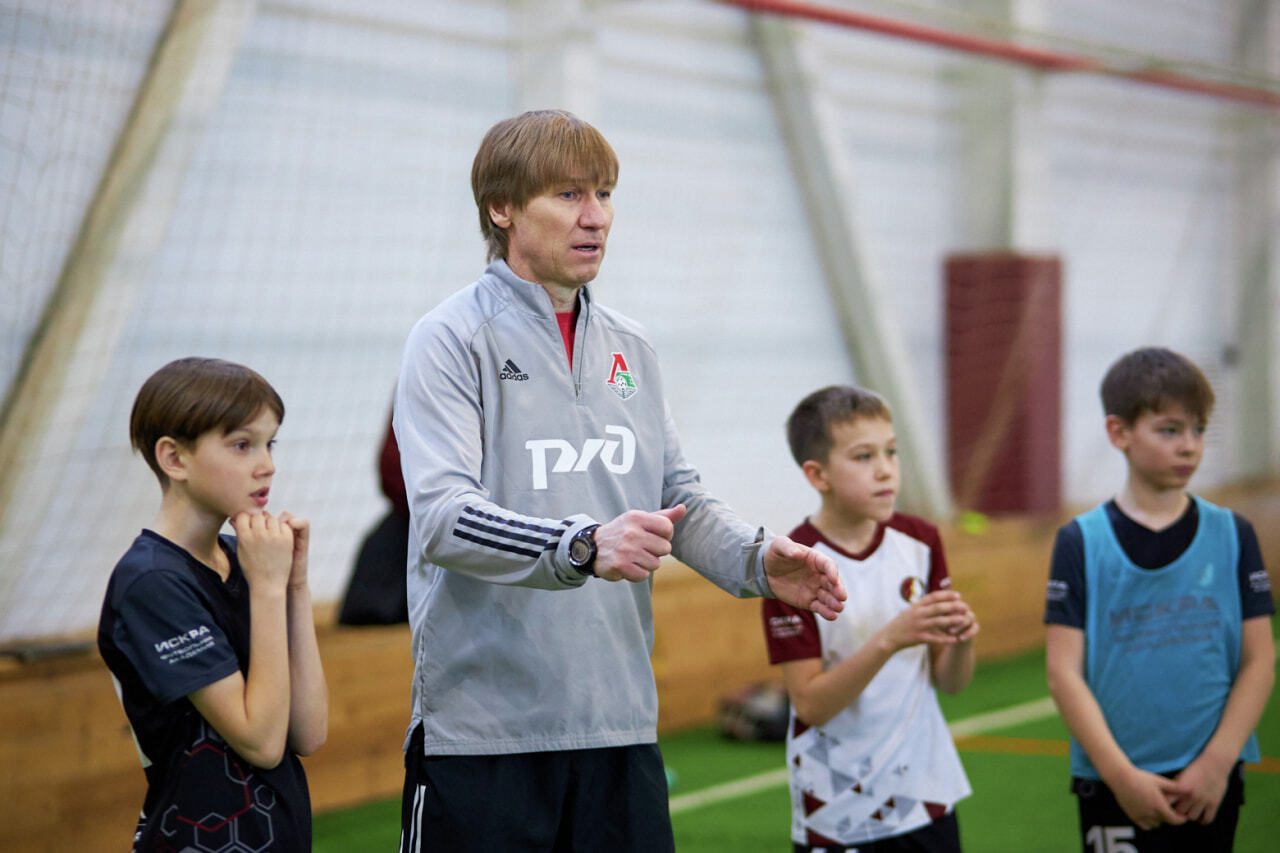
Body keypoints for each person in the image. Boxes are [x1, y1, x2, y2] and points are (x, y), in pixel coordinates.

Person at [392, 109, 847, 852]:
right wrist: (580, 544)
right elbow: (443, 517)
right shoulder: (448, 339)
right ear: (502, 207)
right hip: (484, 737)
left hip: (619, 725)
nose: (596, 217)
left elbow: (677, 499)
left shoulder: (631, 346)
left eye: (604, 194)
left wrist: (760, 560)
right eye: (570, 195)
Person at [1044, 346, 1275, 852]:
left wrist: (1217, 763)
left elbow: (1260, 660)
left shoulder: (1233, 533)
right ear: (1119, 432)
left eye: (1198, 430)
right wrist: (1120, 775)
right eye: (1169, 430)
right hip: (1115, 785)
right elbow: (1063, 671)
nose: (1189, 446)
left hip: (1209, 784)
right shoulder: (1080, 542)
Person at [97, 357, 328, 852]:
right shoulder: (151, 583)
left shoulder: (241, 557)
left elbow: (307, 732)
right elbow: (262, 742)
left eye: (270, 443)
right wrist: (267, 588)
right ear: (174, 459)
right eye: (242, 445)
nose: (266, 464)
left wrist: (294, 588)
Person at [763, 384, 978, 852]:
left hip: (927, 794)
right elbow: (811, 705)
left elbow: (953, 683)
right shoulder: (791, 565)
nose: (885, 470)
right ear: (818, 475)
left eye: (892, 452)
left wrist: (961, 642)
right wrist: (889, 640)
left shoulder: (921, 541)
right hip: (839, 806)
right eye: (863, 457)